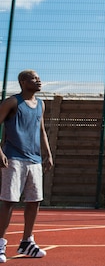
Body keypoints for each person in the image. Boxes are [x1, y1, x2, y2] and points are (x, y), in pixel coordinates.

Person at [0, 70, 53, 262]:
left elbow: (40, 129)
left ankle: (26, 242)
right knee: (9, 201)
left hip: (34, 159)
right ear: (23, 82)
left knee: (34, 200)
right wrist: (0, 151)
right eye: (33, 78)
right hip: (14, 157)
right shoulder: (12, 102)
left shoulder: (41, 104)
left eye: (39, 77)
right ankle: (0, 243)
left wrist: (47, 153)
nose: (38, 80)